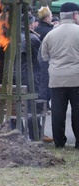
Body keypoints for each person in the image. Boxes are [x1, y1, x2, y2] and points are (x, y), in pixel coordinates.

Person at [41, 2, 79, 149]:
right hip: (76, 78)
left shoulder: (51, 34)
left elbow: (44, 56)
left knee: (57, 113)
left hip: (56, 79)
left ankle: (59, 142)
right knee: (77, 113)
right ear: (75, 15)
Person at [35, 6, 54, 114]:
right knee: (45, 84)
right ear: (46, 18)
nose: (52, 17)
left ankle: (43, 105)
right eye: (51, 15)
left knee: (41, 83)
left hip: (37, 61)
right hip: (45, 61)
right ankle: (44, 105)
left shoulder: (37, 29)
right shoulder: (49, 31)